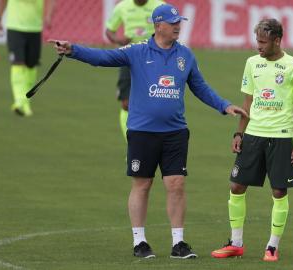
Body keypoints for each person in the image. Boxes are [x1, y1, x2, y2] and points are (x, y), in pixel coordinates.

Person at [49, 4, 248, 259]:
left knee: (176, 184)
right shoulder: (137, 51)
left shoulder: (185, 55)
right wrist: (73, 50)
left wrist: (224, 105)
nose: (178, 26)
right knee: (142, 184)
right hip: (143, 131)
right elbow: (103, 58)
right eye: (173, 22)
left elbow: (200, 87)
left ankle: (179, 243)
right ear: (158, 25)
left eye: (179, 21)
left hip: (176, 132)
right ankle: (139, 242)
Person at [211, 19, 293, 262]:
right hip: (253, 134)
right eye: (257, 41)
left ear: (277, 40)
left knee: (278, 191)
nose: (258, 46)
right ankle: (235, 243)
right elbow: (247, 103)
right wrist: (239, 133)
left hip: (281, 136)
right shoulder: (251, 64)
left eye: (263, 42)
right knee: (236, 186)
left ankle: (272, 247)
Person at [105, 0, 163, 142]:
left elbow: (171, 29)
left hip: (154, 58)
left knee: (154, 102)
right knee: (126, 103)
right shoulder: (122, 7)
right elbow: (109, 30)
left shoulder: (159, 6)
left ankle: (151, 143)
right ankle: (131, 145)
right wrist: (119, 40)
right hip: (129, 57)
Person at [0, 0, 55, 117]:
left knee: (31, 66)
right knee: (17, 63)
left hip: (34, 28)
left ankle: (26, 102)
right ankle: (19, 101)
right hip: (15, 27)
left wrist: (48, 15)